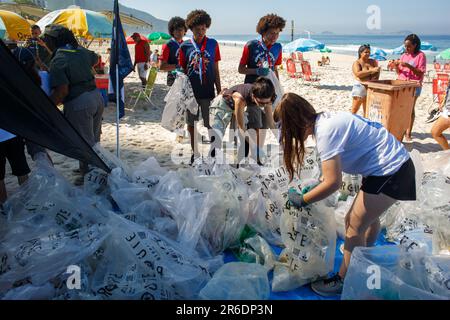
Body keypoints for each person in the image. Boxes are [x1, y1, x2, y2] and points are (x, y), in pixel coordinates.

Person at [274, 93, 416, 296]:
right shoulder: (325, 122)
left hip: (391, 171)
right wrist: (315, 186)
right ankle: (363, 255)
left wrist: (303, 200)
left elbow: (333, 183)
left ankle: (344, 278)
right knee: (365, 218)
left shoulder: (325, 132)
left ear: (296, 122)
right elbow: (329, 173)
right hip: (389, 166)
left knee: (354, 225)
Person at [45, 24, 104, 177]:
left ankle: (92, 176)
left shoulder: (59, 60)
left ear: (53, 41)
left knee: (84, 143)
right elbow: (96, 58)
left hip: (79, 102)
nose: (45, 42)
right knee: (94, 141)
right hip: (96, 97)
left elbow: (62, 91)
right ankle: (87, 170)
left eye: (47, 39)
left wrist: (47, 107)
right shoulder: (80, 50)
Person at [179, 10, 221, 164]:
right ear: (191, 29)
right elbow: (183, 70)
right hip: (191, 93)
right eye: (198, 29)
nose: (201, 32)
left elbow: (216, 69)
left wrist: (219, 90)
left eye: (204, 29)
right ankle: (195, 152)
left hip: (209, 92)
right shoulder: (185, 46)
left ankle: (214, 151)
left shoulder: (213, 44)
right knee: (191, 124)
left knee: (211, 123)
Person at [209, 77, 277, 163]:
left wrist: (280, 139)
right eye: (261, 103)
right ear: (253, 96)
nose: (264, 106)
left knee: (242, 139)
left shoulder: (267, 97)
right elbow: (242, 128)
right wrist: (256, 147)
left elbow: (271, 124)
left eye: (267, 103)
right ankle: (210, 164)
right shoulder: (240, 98)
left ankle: (239, 163)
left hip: (237, 108)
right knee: (217, 138)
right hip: (222, 105)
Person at [393, 34, 427, 143]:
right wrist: (395, 67)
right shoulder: (404, 55)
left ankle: (408, 132)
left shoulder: (421, 55)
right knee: (401, 108)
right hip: (401, 84)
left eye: (409, 46)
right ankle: (400, 130)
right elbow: (399, 72)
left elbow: (420, 72)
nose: (406, 49)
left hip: (414, 85)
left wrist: (408, 66)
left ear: (415, 45)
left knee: (410, 109)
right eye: (405, 46)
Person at [238, 14, 286, 84]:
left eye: (277, 33)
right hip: (252, 86)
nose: (275, 36)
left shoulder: (278, 47)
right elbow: (240, 69)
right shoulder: (251, 46)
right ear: (263, 32)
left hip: (269, 87)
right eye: (272, 33)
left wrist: (277, 84)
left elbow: (275, 69)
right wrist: (257, 71)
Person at [351, 44, 380, 116]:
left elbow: (376, 74)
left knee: (367, 111)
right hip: (360, 87)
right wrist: (371, 70)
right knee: (354, 110)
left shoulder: (373, 61)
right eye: (366, 52)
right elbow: (357, 74)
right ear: (360, 53)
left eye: (369, 52)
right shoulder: (357, 62)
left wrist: (376, 74)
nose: (368, 54)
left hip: (370, 87)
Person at [159, 16, 187, 86]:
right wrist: (178, 66)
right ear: (172, 31)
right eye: (177, 29)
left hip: (184, 78)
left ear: (185, 31)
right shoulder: (168, 45)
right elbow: (161, 66)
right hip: (173, 79)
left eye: (181, 29)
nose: (179, 32)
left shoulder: (186, 45)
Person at [431, 84, 450, 150]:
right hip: (447, 110)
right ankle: (448, 152)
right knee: (435, 132)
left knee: (435, 132)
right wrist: (443, 102)